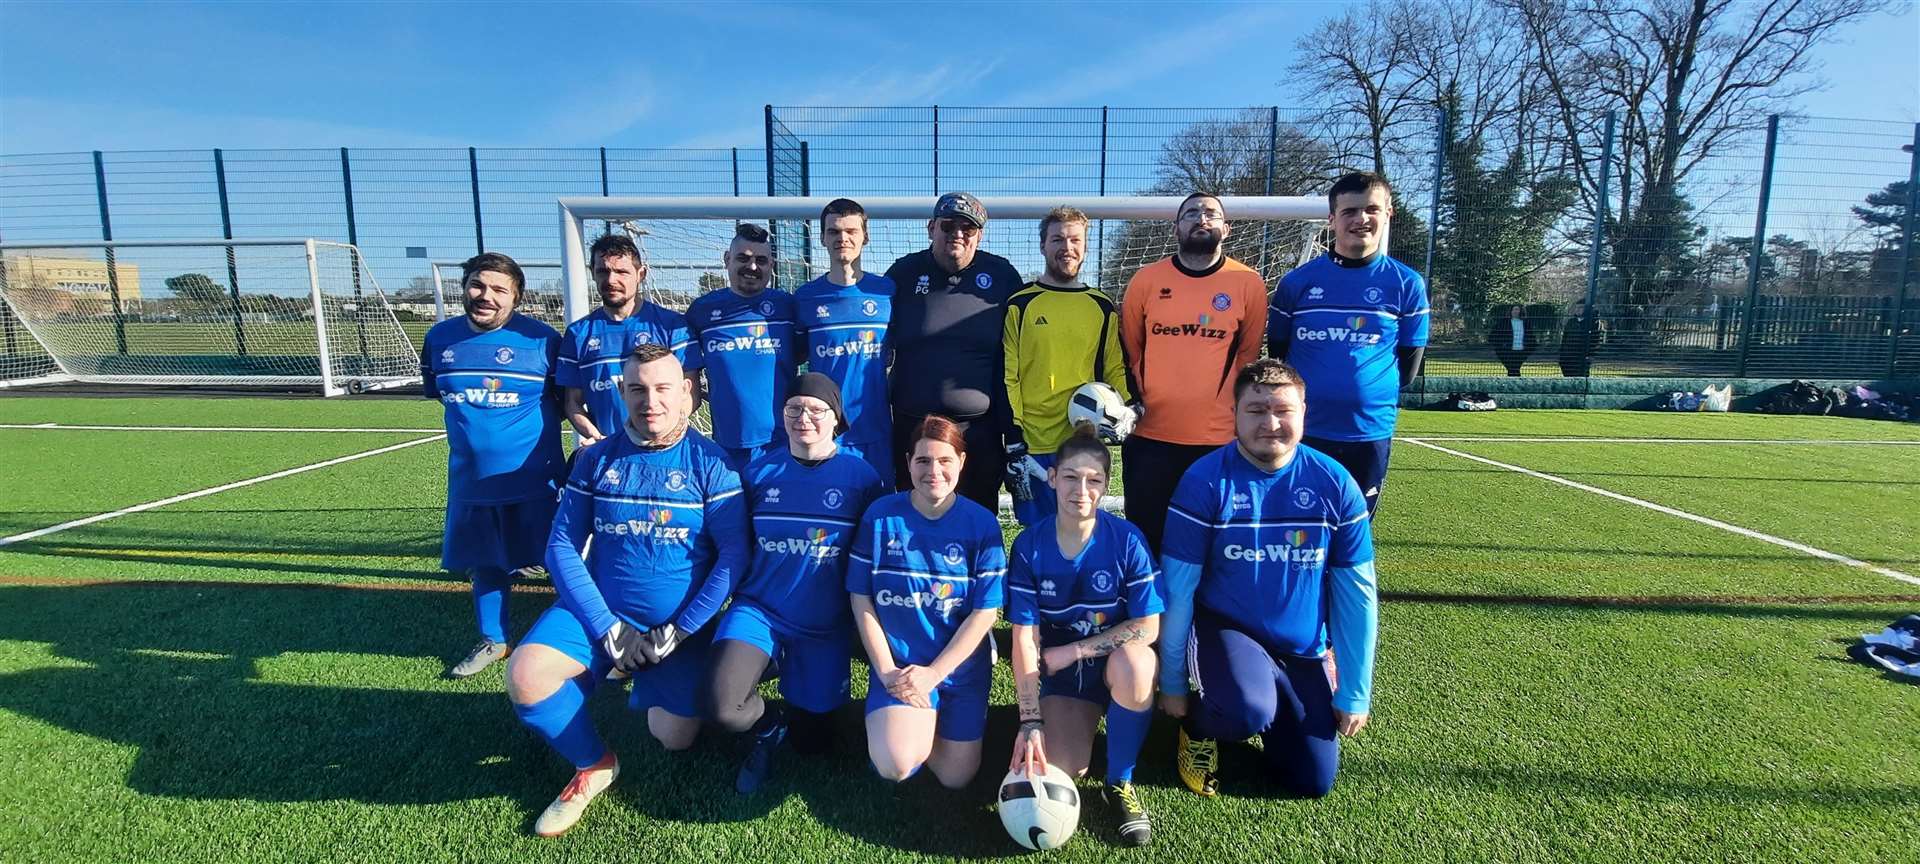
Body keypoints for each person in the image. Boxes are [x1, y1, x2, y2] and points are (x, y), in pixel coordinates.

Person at [505, 343, 749, 837]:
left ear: (687, 393)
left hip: (675, 628)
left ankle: (656, 675)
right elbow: (561, 548)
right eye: (637, 388)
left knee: (674, 737)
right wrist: (607, 628)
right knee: (526, 675)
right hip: (604, 614)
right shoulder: (596, 459)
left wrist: (677, 633)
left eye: (663, 389)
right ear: (621, 392)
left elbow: (733, 558)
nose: (650, 400)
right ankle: (594, 764)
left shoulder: (713, 463)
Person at [1157, 358, 1378, 800]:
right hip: (1227, 630)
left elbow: (1357, 594)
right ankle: (1200, 726)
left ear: (1303, 413)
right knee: (1245, 711)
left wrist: (1355, 691)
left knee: (1312, 781)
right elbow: (1178, 590)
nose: (1270, 423)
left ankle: (1286, 699)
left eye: (1283, 410)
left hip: (1302, 647)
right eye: (1256, 411)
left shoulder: (1335, 484)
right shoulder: (1204, 481)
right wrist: (1174, 682)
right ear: (1234, 415)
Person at [705, 373, 889, 795]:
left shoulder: (862, 478)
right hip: (760, 610)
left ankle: (794, 684)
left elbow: (876, 559)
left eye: (816, 410)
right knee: (724, 706)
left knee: (815, 743)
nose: (804, 417)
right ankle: (768, 726)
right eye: (793, 409)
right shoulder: (757, 473)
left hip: (824, 624)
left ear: (836, 419)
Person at [1006, 424, 1162, 846]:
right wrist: (1029, 719)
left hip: (1106, 662)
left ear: (1106, 485)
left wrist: (1074, 650)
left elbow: (1148, 627)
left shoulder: (1126, 539)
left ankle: (1120, 782)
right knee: (1065, 767)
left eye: (1094, 480)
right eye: (1072, 477)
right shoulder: (1028, 546)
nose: (1082, 489)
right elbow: (1023, 637)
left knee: (1136, 661)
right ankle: (1076, 722)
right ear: (1053, 478)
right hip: (1063, 679)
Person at [419, 252, 565, 679]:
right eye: (478, 286)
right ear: (464, 288)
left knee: (559, 561)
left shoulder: (542, 341)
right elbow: (441, 398)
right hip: (471, 481)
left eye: (500, 289)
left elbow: (565, 400)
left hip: (537, 479)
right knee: (484, 563)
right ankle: (494, 640)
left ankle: (571, 638)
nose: (486, 296)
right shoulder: (440, 338)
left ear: (516, 297)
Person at [846, 414, 1006, 789]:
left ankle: (918, 723)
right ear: (908, 464)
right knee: (895, 764)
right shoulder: (881, 515)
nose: (933, 470)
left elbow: (985, 613)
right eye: (923, 461)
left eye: (945, 460)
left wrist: (934, 674)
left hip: (959, 672)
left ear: (962, 463)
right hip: (900, 668)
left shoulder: (981, 524)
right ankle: (900, 730)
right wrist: (886, 672)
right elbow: (861, 597)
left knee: (956, 777)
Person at [1268, 172, 1429, 517]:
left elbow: (1408, 370)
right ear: (1332, 219)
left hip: (1368, 431)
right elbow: (1278, 356)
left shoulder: (1407, 285)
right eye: (1349, 211)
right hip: (1303, 429)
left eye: (1371, 209)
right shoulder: (1296, 284)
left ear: (1389, 213)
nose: (1361, 219)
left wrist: (1359, 394)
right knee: (1296, 524)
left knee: (1354, 527)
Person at [1119, 192, 1268, 556]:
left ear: (1226, 229)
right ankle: (1147, 615)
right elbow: (1131, 350)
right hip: (1150, 437)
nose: (1201, 219)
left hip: (1216, 442)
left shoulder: (1248, 283)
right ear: (1176, 228)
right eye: (1191, 214)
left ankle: (1204, 615)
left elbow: (1247, 359)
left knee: (1213, 547)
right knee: (1145, 544)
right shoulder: (1146, 280)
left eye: (1211, 214)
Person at [884, 192, 1022, 511]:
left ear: (980, 235)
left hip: (978, 433)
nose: (957, 234)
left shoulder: (1002, 276)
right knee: (915, 519)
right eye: (948, 226)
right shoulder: (902, 274)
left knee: (976, 518)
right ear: (931, 228)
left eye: (968, 228)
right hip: (912, 428)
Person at [1002, 205, 1131, 526]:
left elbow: (1113, 367)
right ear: (1043, 245)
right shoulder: (1021, 303)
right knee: (1038, 534)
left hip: (1083, 441)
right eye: (1057, 239)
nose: (1067, 248)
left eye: (1075, 240)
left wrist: (1128, 409)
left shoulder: (1101, 306)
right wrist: (1014, 436)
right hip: (1034, 444)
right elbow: (1008, 375)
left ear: (1086, 246)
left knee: (1082, 529)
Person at [557, 233, 701, 449]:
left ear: (640, 274)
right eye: (603, 271)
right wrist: (596, 437)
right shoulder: (578, 333)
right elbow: (572, 402)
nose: (611, 280)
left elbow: (691, 393)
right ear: (592, 273)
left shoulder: (672, 326)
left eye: (622, 272)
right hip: (608, 448)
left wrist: (662, 434)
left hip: (664, 447)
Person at [794, 198, 897, 485]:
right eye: (834, 232)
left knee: (876, 510)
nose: (843, 238)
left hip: (876, 429)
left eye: (851, 231)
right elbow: (794, 356)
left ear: (865, 237)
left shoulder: (886, 292)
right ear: (823, 238)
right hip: (823, 430)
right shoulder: (805, 297)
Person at [687, 223, 798, 471]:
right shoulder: (701, 311)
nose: (752, 267)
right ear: (727, 259)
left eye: (761, 260)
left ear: (771, 264)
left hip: (784, 443)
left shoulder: (788, 307)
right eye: (743, 258)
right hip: (726, 444)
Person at [1489, 305, 1536, 377]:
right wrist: (1501, 346)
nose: (1515, 311)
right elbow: (1493, 336)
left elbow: (1531, 337)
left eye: (1517, 309)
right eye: (1514, 309)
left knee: (1514, 370)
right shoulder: (1503, 322)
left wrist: (1530, 348)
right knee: (1513, 370)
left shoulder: (1526, 323)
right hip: (1507, 351)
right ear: (1510, 311)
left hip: (1521, 351)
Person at [1559, 300, 1599, 377]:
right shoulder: (1571, 322)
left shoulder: (1593, 323)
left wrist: (1590, 355)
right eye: (1576, 307)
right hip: (1567, 358)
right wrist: (1562, 356)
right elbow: (1564, 339)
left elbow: (1595, 341)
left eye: (1580, 308)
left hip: (1581, 358)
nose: (1577, 310)